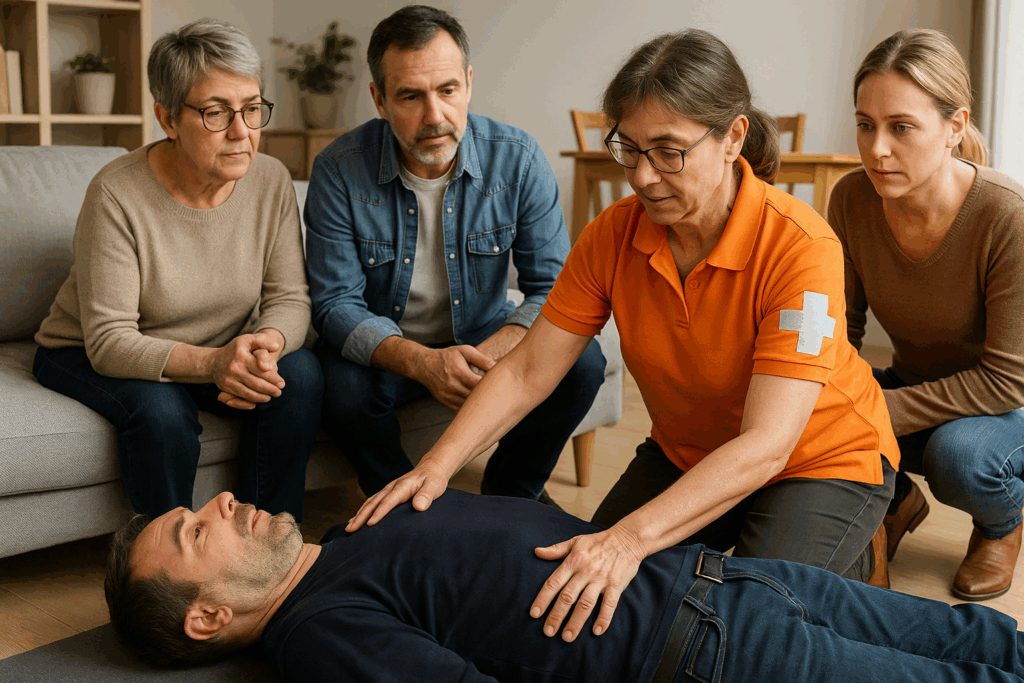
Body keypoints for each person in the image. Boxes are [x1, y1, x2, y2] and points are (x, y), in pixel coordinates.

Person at [349, 27, 901, 642]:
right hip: (689, 452)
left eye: (668, 152)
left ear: (732, 138)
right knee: (584, 599)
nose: (641, 176)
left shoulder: (802, 247)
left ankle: (859, 549)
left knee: (747, 626)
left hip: (817, 460)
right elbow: (528, 371)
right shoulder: (614, 234)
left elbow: (769, 444)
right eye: (629, 149)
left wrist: (630, 539)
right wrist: (435, 467)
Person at [105, 489, 1024, 682]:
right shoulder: (318, 631)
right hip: (707, 651)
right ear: (209, 616)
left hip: (721, 574)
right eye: (195, 531)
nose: (218, 500)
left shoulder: (350, 534)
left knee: (983, 638)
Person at [303, 5, 606, 503]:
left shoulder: (518, 158)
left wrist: (490, 354)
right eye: (410, 96)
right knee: (337, 383)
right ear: (379, 100)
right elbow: (336, 304)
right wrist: (424, 363)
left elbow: (555, 288)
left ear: (467, 83)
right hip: (390, 353)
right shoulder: (338, 169)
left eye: (447, 90)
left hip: (484, 339)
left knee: (583, 360)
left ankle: (512, 491)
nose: (435, 116)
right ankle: (402, 500)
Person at [32, 19, 323, 521]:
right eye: (216, 113)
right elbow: (109, 341)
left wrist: (265, 346)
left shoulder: (270, 179)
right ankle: (170, 557)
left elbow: (289, 297)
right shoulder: (116, 193)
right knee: (162, 411)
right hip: (87, 350)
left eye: (252, 109)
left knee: (297, 374)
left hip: (220, 346)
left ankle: (266, 542)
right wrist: (213, 364)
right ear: (167, 119)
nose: (242, 132)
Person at [828, 29, 1024, 602]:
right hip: (917, 387)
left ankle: (1003, 523)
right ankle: (896, 501)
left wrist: (876, 411)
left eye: (901, 127)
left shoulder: (1006, 216)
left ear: (954, 126)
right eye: (865, 125)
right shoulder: (851, 199)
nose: (877, 149)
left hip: (1006, 410)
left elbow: (1007, 381)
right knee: (806, 403)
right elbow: (841, 334)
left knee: (957, 456)